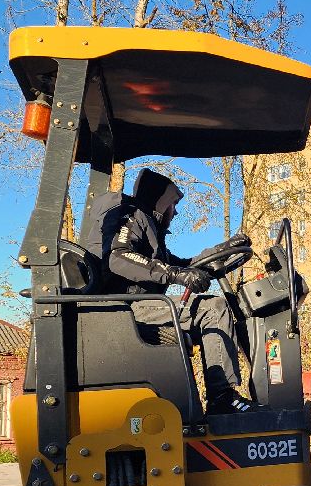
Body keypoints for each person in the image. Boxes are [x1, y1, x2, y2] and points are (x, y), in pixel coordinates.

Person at [88, 167, 254, 414]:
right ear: (160, 201)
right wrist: (175, 274)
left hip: (139, 307)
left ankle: (217, 397)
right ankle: (222, 397)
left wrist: (220, 250)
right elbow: (118, 256)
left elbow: (183, 265)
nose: (175, 211)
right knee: (212, 308)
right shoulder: (129, 214)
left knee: (210, 307)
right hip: (123, 310)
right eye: (173, 204)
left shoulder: (148, 228)